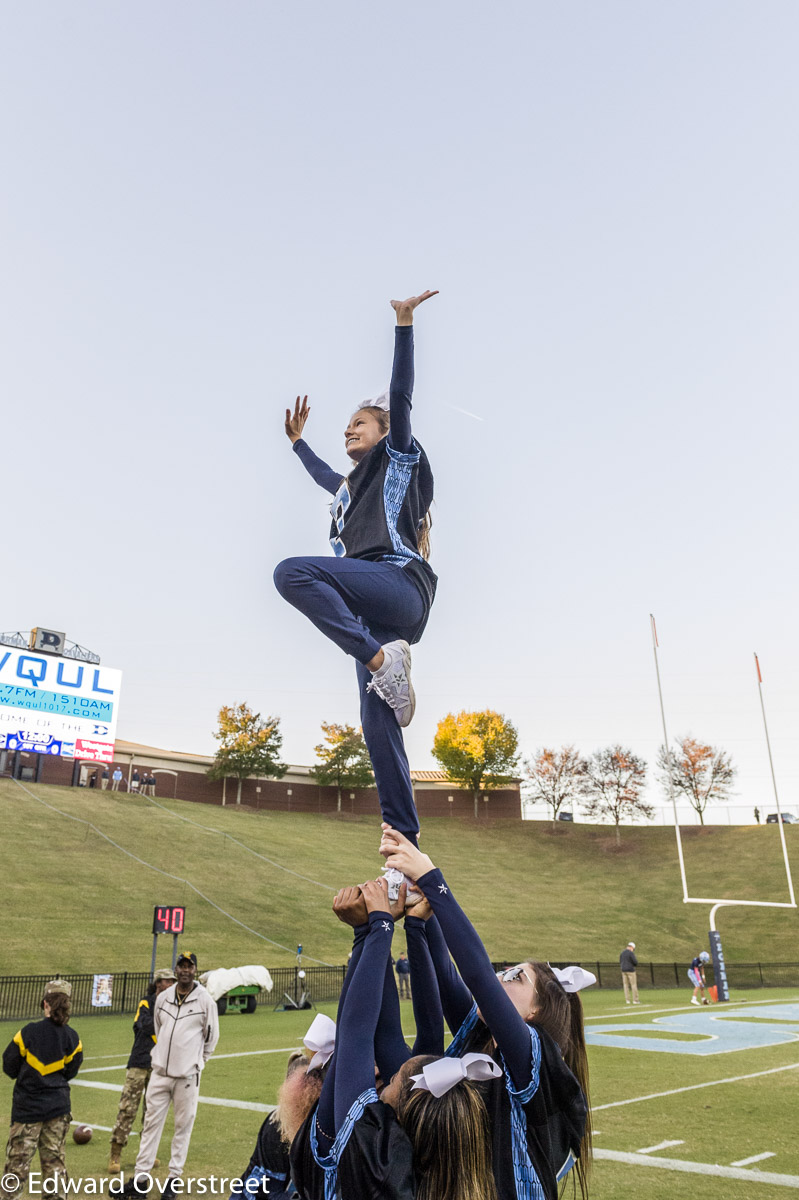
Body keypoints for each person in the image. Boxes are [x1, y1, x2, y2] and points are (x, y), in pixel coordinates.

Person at [274, 291, 438, 847]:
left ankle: (377, 659)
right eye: (346, 425)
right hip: (375, 607)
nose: (349, 430)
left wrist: (403, 325)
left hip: (397, 584)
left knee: (293, 573)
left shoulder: (396, 457)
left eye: (358, 423)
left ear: (384, 429)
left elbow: (400, 395)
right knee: (377, 725)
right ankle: (404, 842)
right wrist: (298, 444)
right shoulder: (349, 489)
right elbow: (324, 473)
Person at [380, 825, 593, 1200]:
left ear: (534, 1012)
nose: (500, 977)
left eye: (515, 977)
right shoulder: (481, 1036)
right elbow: (447, 978)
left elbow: (477, 974)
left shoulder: (532, 1056)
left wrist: (432, 877)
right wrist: (419, 913)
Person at [123, 952, 219, 1199]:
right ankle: (141, 1180)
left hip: (187, 1077)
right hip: (160, 1073)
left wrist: (197, 1063)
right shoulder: (163, 998)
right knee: (150, 1127)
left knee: (182, 1128)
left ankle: (173, 1179)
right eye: (181, 966)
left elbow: (211, 1038)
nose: (185, 970)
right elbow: (159, 1027)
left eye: (189, 966)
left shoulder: (205, 1000)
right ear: (176, 970)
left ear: (195, 970)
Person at [1, 980, 83, 1200]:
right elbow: (71, 1071)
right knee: (55, 1168)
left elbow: (8, 1065)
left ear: (45, 1004)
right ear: (67, 1005)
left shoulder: (28, 1033)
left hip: (27, 1111)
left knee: (16, 1169)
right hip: (58, 1109)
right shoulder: (72, 1037)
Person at [108, 968, 177, 1173]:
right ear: (158, 984)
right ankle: (115, 1154)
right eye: (168, 981)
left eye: (173, 980)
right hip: (139, 1062)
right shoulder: (146, 1002)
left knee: (152, 1112)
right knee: (128, 1109)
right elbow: (144, 1024)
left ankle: (147, 1154)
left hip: (160, 1066)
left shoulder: (174, 1006)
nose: (172, 984)